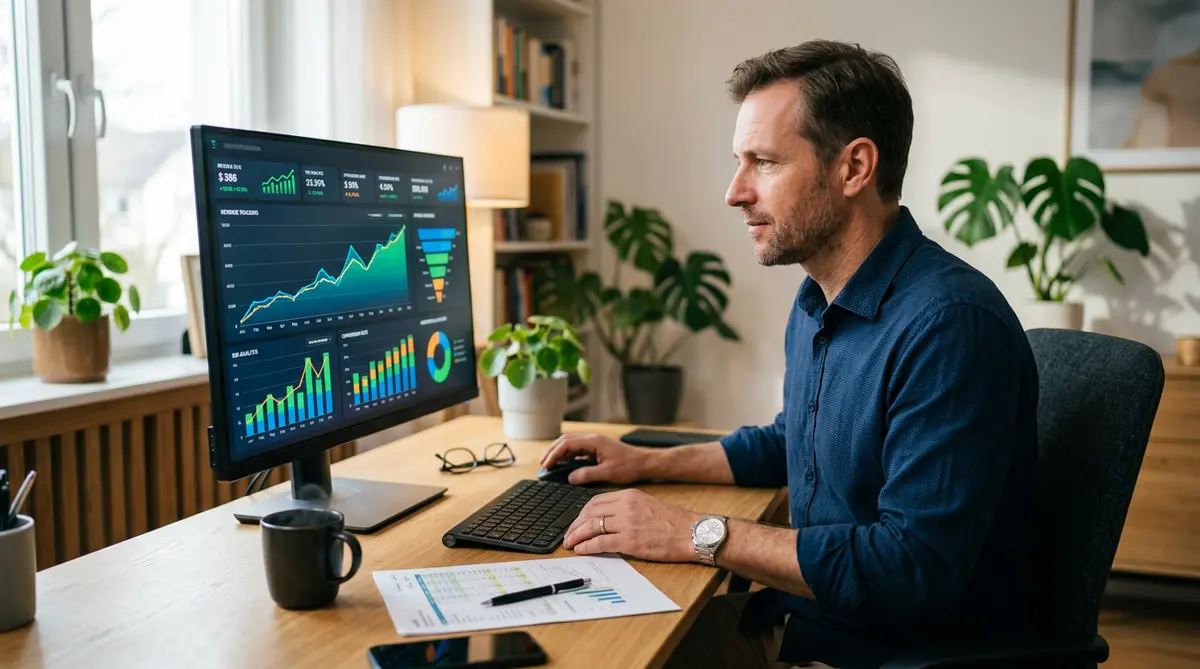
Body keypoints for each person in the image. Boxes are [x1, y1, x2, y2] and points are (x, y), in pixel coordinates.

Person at [539, 39, 1039, 669]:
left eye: (764, 163)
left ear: (854, 168)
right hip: (811, 620)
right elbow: (792, 442)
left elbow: (911, 570)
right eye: (739, 162)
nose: (735, 191)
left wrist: (691, 532)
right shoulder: (818, 300)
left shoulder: (949, 326)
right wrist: (644, 460)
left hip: (891, 652)